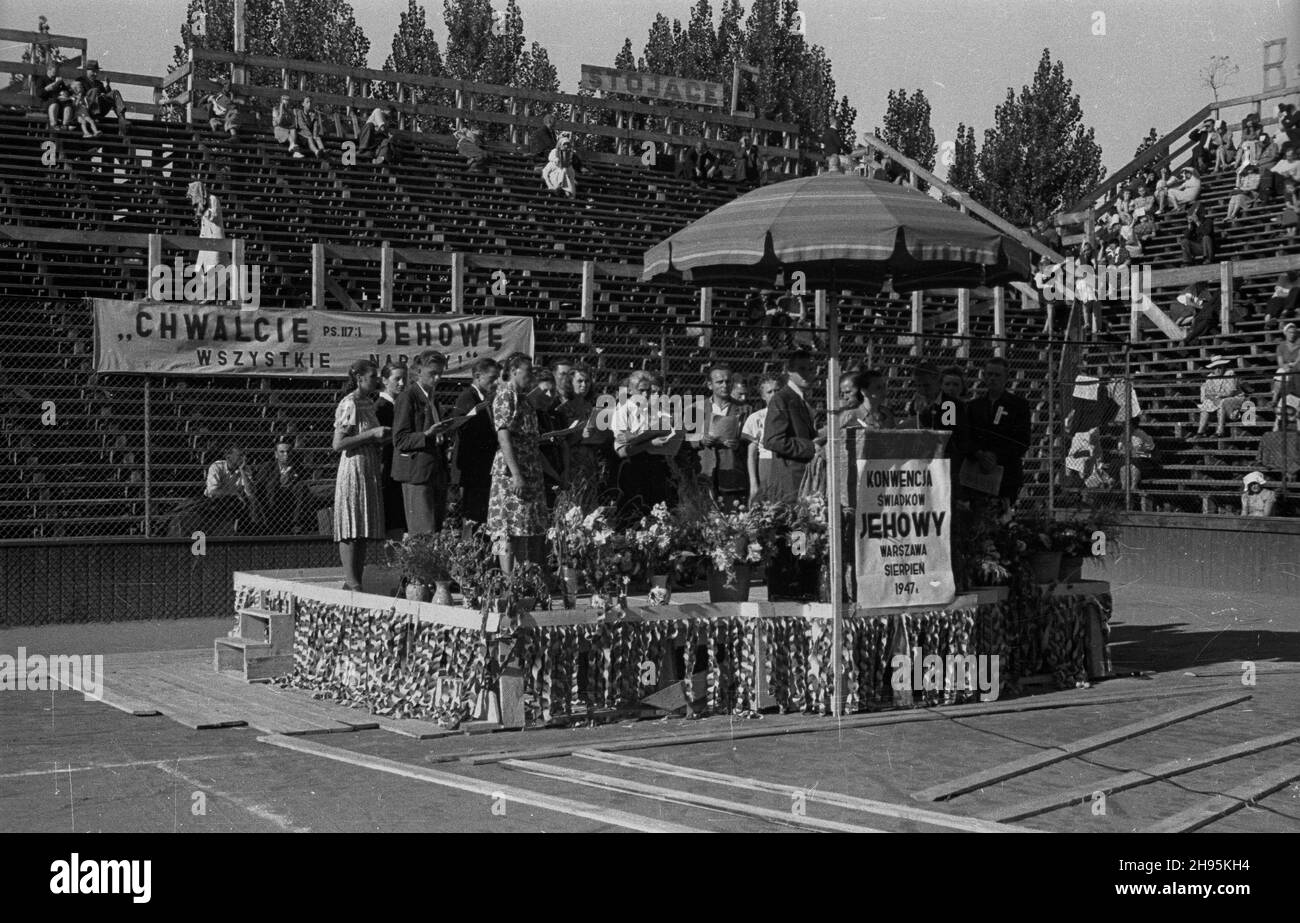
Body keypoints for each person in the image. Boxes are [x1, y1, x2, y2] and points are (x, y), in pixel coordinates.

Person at [487, 353, 553, 572]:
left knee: (522, 528)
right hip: (511, 473)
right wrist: (516, 474)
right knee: (506, 528)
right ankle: (508, 580)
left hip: (530, 468)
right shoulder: (506, 395)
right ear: (514, 370)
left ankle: (521, 578)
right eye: (528, 371)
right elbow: (503, 436)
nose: (531, 375)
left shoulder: (524, 399)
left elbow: (531, 442)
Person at [332, 360, 389, 591]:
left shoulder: (368, 402)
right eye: (373, 375)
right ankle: (352, 580)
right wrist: (373, 434)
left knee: (362, 526)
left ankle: (357, 580)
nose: (377, 379)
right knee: (351, 523)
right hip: (353, 467)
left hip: (368, 466)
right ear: (360, 378)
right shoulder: (350, 403)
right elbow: (339, 444)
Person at [392, 349, 450, 534]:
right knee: (423, 531)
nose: (437, 378)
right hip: (417, 473)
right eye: (433, 373)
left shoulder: (433, 397)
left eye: (440, 373)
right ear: (418, 371)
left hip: (435, 470)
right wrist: (427, 435)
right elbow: (400, 439)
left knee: (435, 530)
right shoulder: (408, 397)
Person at [612, 370, 680, 522]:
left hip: (656, 468)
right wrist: (649, 443)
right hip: (634, 468)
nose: (645, 395)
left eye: (648, 390)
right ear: (630, 390)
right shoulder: (622, 412)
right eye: (640, 391)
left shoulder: (654, 411)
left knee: (659, 516)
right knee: (635, 516)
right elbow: (623, 451)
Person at [966, 356, 1033, 505]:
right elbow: (966, 437)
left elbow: (1022, 441)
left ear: (1006, 378)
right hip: (977, 471)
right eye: (989, 374)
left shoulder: (1018, 406)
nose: (992, 379)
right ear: (983, 376)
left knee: (1002, 516)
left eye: (997, 375)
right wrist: (979, 454)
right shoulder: (973, 406)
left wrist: (996, 456)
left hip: (1007, 472)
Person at [762, 350, 823, 502]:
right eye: (802, 369)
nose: (808, 374)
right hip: (790, 480)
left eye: (811, 369)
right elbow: (772, 440)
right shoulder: (781, 399)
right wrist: (810, 447)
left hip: (803, 477)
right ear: (789, 371)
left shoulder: (800, 399)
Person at [451, 357, 499, 526]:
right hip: (472, 470)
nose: (495, 383)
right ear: (478, 376)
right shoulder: (467, 397)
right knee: (471, 519)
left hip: (484, 469)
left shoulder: (486, 399)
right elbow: (464, 430)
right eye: (492, 379)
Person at [698, 364, 748, 507]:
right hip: (705, 471)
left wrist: (739, 444)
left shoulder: (745, 409)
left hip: (733, 473)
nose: (725, 385)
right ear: (709, 385)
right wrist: (701, 440)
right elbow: (685, 440)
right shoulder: (695, 408)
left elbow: (751, 441)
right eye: (719, 382)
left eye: (728, 381)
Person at [375, 363, 406, 539]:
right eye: (397, 379)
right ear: (385, 381)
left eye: (404, 379)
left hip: (401, 468)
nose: (402, 383)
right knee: (393, 520)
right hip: (388, 469)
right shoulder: (381, 407)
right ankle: (393, 562)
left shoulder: (401, 404)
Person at [255, 436, 307, 534]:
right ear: (276, 454)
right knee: (271, 486)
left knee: (301, 486)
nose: (286, 454)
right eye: (282, 452)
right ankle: (270, 523)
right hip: (272, 495)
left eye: (288, 451)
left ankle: (295, 523)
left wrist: (290, 478)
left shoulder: (298, 468)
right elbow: (259, 485)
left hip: (290, 495)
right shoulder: (268, 466)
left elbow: (300, 483)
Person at [742, 373, 782, 502]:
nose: (774, 394)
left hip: (788, 465)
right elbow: (752, 454)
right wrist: (753, 484)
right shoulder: (756, 418)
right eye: (769, 392)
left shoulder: (794, 415)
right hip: (767, 464)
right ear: (763, 396)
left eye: (777, 390)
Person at [1194, 356, 1248, 438]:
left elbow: (1230, 392)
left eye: (1220, 367)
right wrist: (1215, 398)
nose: (1218, 370)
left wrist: (1216, 396)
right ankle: (1200, 432)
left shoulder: (1230, 373)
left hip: (1236, 399)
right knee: (1206, 403)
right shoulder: (1210, 377)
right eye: (1215, 368)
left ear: (1224, 367)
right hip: (1218, 399)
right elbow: (1207, 394)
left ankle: (1220, 431)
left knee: (1222, 402)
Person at [205, 444, 255, 532]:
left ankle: (249, 529)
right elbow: (212, 492)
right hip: (217, 500)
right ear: (228, 457)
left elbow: (250, 492)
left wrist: (242, 471)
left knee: (251, 501)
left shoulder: (245, 468)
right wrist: (234, 493)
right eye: (240, 455)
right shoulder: (217, 466)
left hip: (237, 501)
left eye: (244, 455)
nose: (244, 458)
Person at [76, 61, 127, 137]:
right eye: (93, 71)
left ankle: (121, 118)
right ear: (87, 70)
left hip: (100, 108)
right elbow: (79, 95)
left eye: (96, 71)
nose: (95, 74)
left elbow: (108, 97)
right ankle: (95, 116)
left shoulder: (99, 83)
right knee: (95, 91)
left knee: (114, 92)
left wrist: (107, 86)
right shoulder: (80, 81)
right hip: (87, 110)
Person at [188, 180, 225, 285]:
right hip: (206, 242)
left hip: (215, 240)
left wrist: (203, 210)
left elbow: (214, 216)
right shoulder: (201, 203)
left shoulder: (213, 199)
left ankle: (211, 295)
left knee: (214, 269)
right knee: (202, 269)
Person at [1273, 322, 1300, 410]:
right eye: (1290, 332)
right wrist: (1286, 367)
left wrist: (1294, 365)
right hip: (1286, 366)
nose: (1292, 335)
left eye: (1293, 332)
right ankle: (1274, 399)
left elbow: (1299, 359)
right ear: (1285, 333)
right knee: (1280, 373)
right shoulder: (1281, 346)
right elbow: (1280, 362)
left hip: (1297, 366)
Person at [40, 61, 74, 130]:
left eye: (58, 70)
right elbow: (40, 93)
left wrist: (66, 93)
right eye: (56, 70)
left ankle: (65, 125)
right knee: (54, 102)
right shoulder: (42, 79)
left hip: (59, 102)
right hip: (47, 102)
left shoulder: (59, 80)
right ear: (49, 69)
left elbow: (66, 91)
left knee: (68, 104)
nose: (57, 72)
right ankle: (54, 125)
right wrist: (55, 83)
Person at [271, 94, 303, 158]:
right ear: (281, 101)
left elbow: (293, 123)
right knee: (289, 131)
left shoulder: (290, 110)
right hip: (279, 129)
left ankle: (294, 149)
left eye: (288, 100)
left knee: (293, 129)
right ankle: (294, 149)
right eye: (284, 100)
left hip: (287, 128)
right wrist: (281, 109)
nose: (286, 101)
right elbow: (278, 123)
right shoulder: (276, 109)